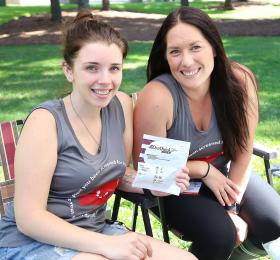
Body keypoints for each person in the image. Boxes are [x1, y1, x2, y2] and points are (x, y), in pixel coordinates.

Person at [0, 10, 197, 260]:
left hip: (95, 231)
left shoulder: (121, 106)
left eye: (114, 68)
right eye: (92, 68)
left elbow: (117, 173)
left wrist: (155, 182)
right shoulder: (45, 122)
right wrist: (106, 246)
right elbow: (29, 219)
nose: (105, 80)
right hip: (32, 242)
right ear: (69, 71)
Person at [133, 6, 280, 260]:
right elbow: (154, 174)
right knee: (219, 233)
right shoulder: (158, 97)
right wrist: (203, 170)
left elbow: (243, 153)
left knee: (274, 220)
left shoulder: (240, 82)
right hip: (174, 187)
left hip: (223, 175)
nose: (186, 61)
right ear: (165, 56)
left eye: (195, 47)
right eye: (175, 52)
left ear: (214, 46)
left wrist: (232, 209)